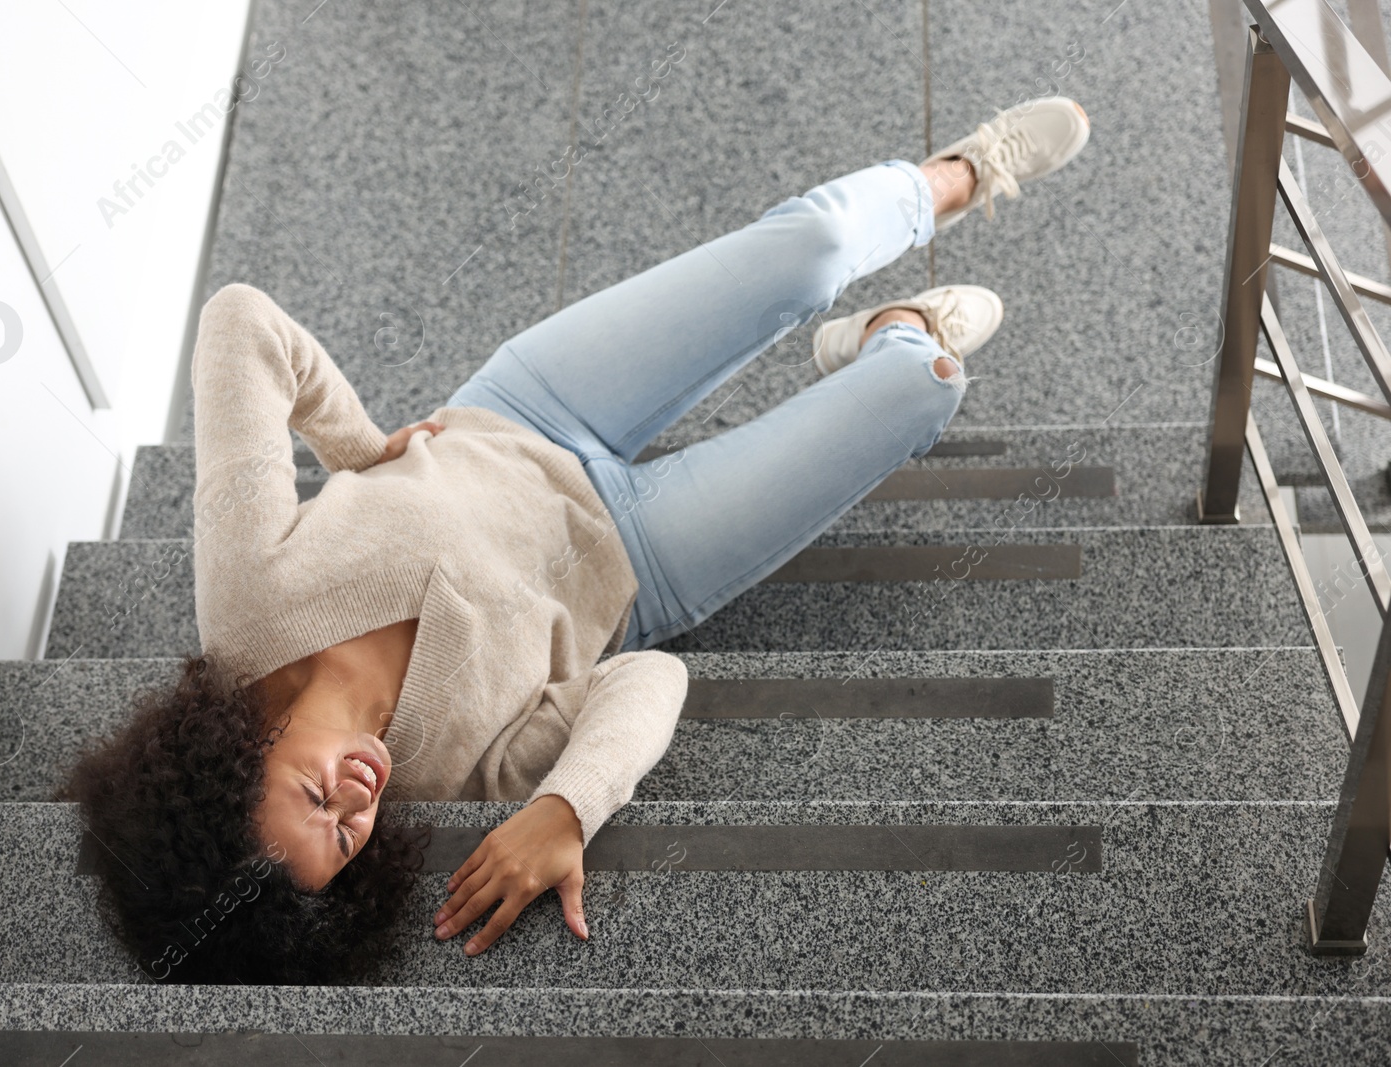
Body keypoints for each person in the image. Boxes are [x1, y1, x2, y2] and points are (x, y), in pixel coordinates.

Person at [61, 97, 1090, 984]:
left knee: (813, 249)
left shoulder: (247, 599)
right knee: (926, 386)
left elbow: (240, 323)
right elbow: (642, 679)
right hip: (643, 561)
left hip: (528, 406)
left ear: (233, 753)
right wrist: (567, 805)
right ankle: (888, 332)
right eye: (345, 838)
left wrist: (362, 444)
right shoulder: (455, 780)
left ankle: (958, 174)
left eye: (311, 794)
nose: (356, 801)